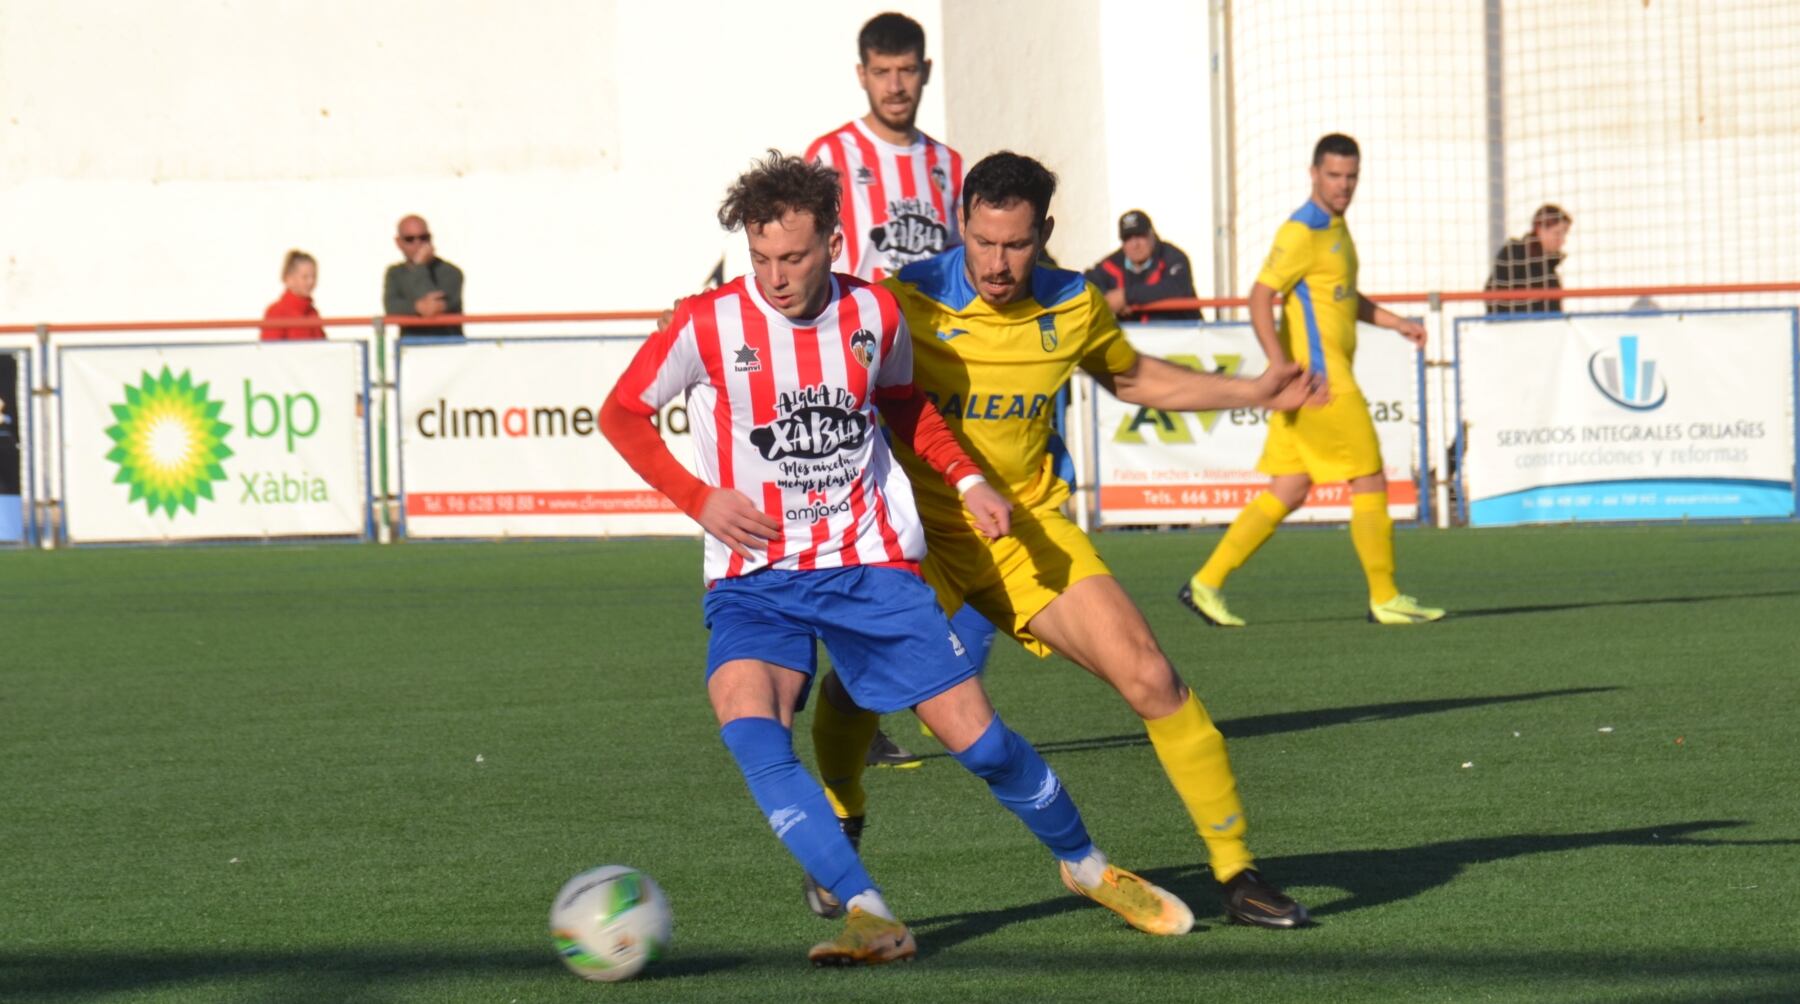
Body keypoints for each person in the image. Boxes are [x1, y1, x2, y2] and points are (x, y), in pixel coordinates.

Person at [599, 151, 1195, 967]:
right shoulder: (705, 324)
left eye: (795, 258)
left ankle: (1087, 866)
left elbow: (907, 408)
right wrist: (697, 497)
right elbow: (624, 413)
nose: (776, 276)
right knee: (750, 728)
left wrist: (968, 477)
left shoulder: (874, 314)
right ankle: (870, 913)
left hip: (869, 566)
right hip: (754, 579)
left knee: (978, 743)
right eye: (761, 258)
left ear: (832, 244)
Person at [805, 151, 1321, 930]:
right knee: (852, 686)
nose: (998, 262)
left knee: (1152, 676)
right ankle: (842, 819)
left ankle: (1237, 871)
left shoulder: (1075, 304)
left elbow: (1133, 378)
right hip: (911, 533)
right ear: (962, 227)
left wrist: (1249, 390)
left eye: (1015, 244)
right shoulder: (904, 297)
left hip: (1027, 532)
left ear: (1043, 233)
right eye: (983, 241)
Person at [805, 10, 989, 769]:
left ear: (925, 72)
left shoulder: (948, 166)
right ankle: (864, 705)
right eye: (881, 72)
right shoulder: (831, 156)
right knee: (853, 548)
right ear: (862, 76)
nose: (895, 85)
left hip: (919, 378)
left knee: (940, 539)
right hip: (846, 381)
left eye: (906, 70)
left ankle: (914, 690)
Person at [1182, 133, 1444, 629]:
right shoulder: (1300, 231)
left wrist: (1397, 323)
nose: (1343, 185)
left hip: (1309, 387)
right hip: (1323, 385)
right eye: (1334, 176)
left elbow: (1343, 296)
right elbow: (1260, 297)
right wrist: (1279, 365)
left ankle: (1206, 582)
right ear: (1313, 174)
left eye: (1350, 177)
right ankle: (1384, 596)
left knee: (1290, 488)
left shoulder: (1336, 226)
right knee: (1368, 477)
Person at [1085, 210, 1201, 322]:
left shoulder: (1173, 257)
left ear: (1152, 234)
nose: (1135, 244)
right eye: (1128, 238)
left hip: (1180, 334)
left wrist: (1126, 297)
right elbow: (1087, 283)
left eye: (1140, 236)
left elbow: (1177, 287)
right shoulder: (1114, 262)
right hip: (1133, 337)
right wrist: (1106, 298)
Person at [383, 215, 464, 337]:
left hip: (448, 344)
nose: (418, 243)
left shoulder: (451, 272)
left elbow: (435, 309)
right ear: (399, 243)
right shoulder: (395, 273)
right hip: (410, 347)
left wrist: (419, 267)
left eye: (423, 238)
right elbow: (391, 307)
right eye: (410, 239)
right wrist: (416, 307)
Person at [1485, 203, 1571, 315]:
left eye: (1564, 234)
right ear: (1539, 229)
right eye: (1557, 233)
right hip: (1514, 328)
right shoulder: (1514, 252)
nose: (1562, 240)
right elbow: (1493, 295)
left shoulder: (1549, 268)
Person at [260, 250, 323, 341]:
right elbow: (270, 351)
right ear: (289, 278)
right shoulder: (276, 313)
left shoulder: (312, 313)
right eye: (305, 277)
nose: (311, 282)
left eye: (313, 276)